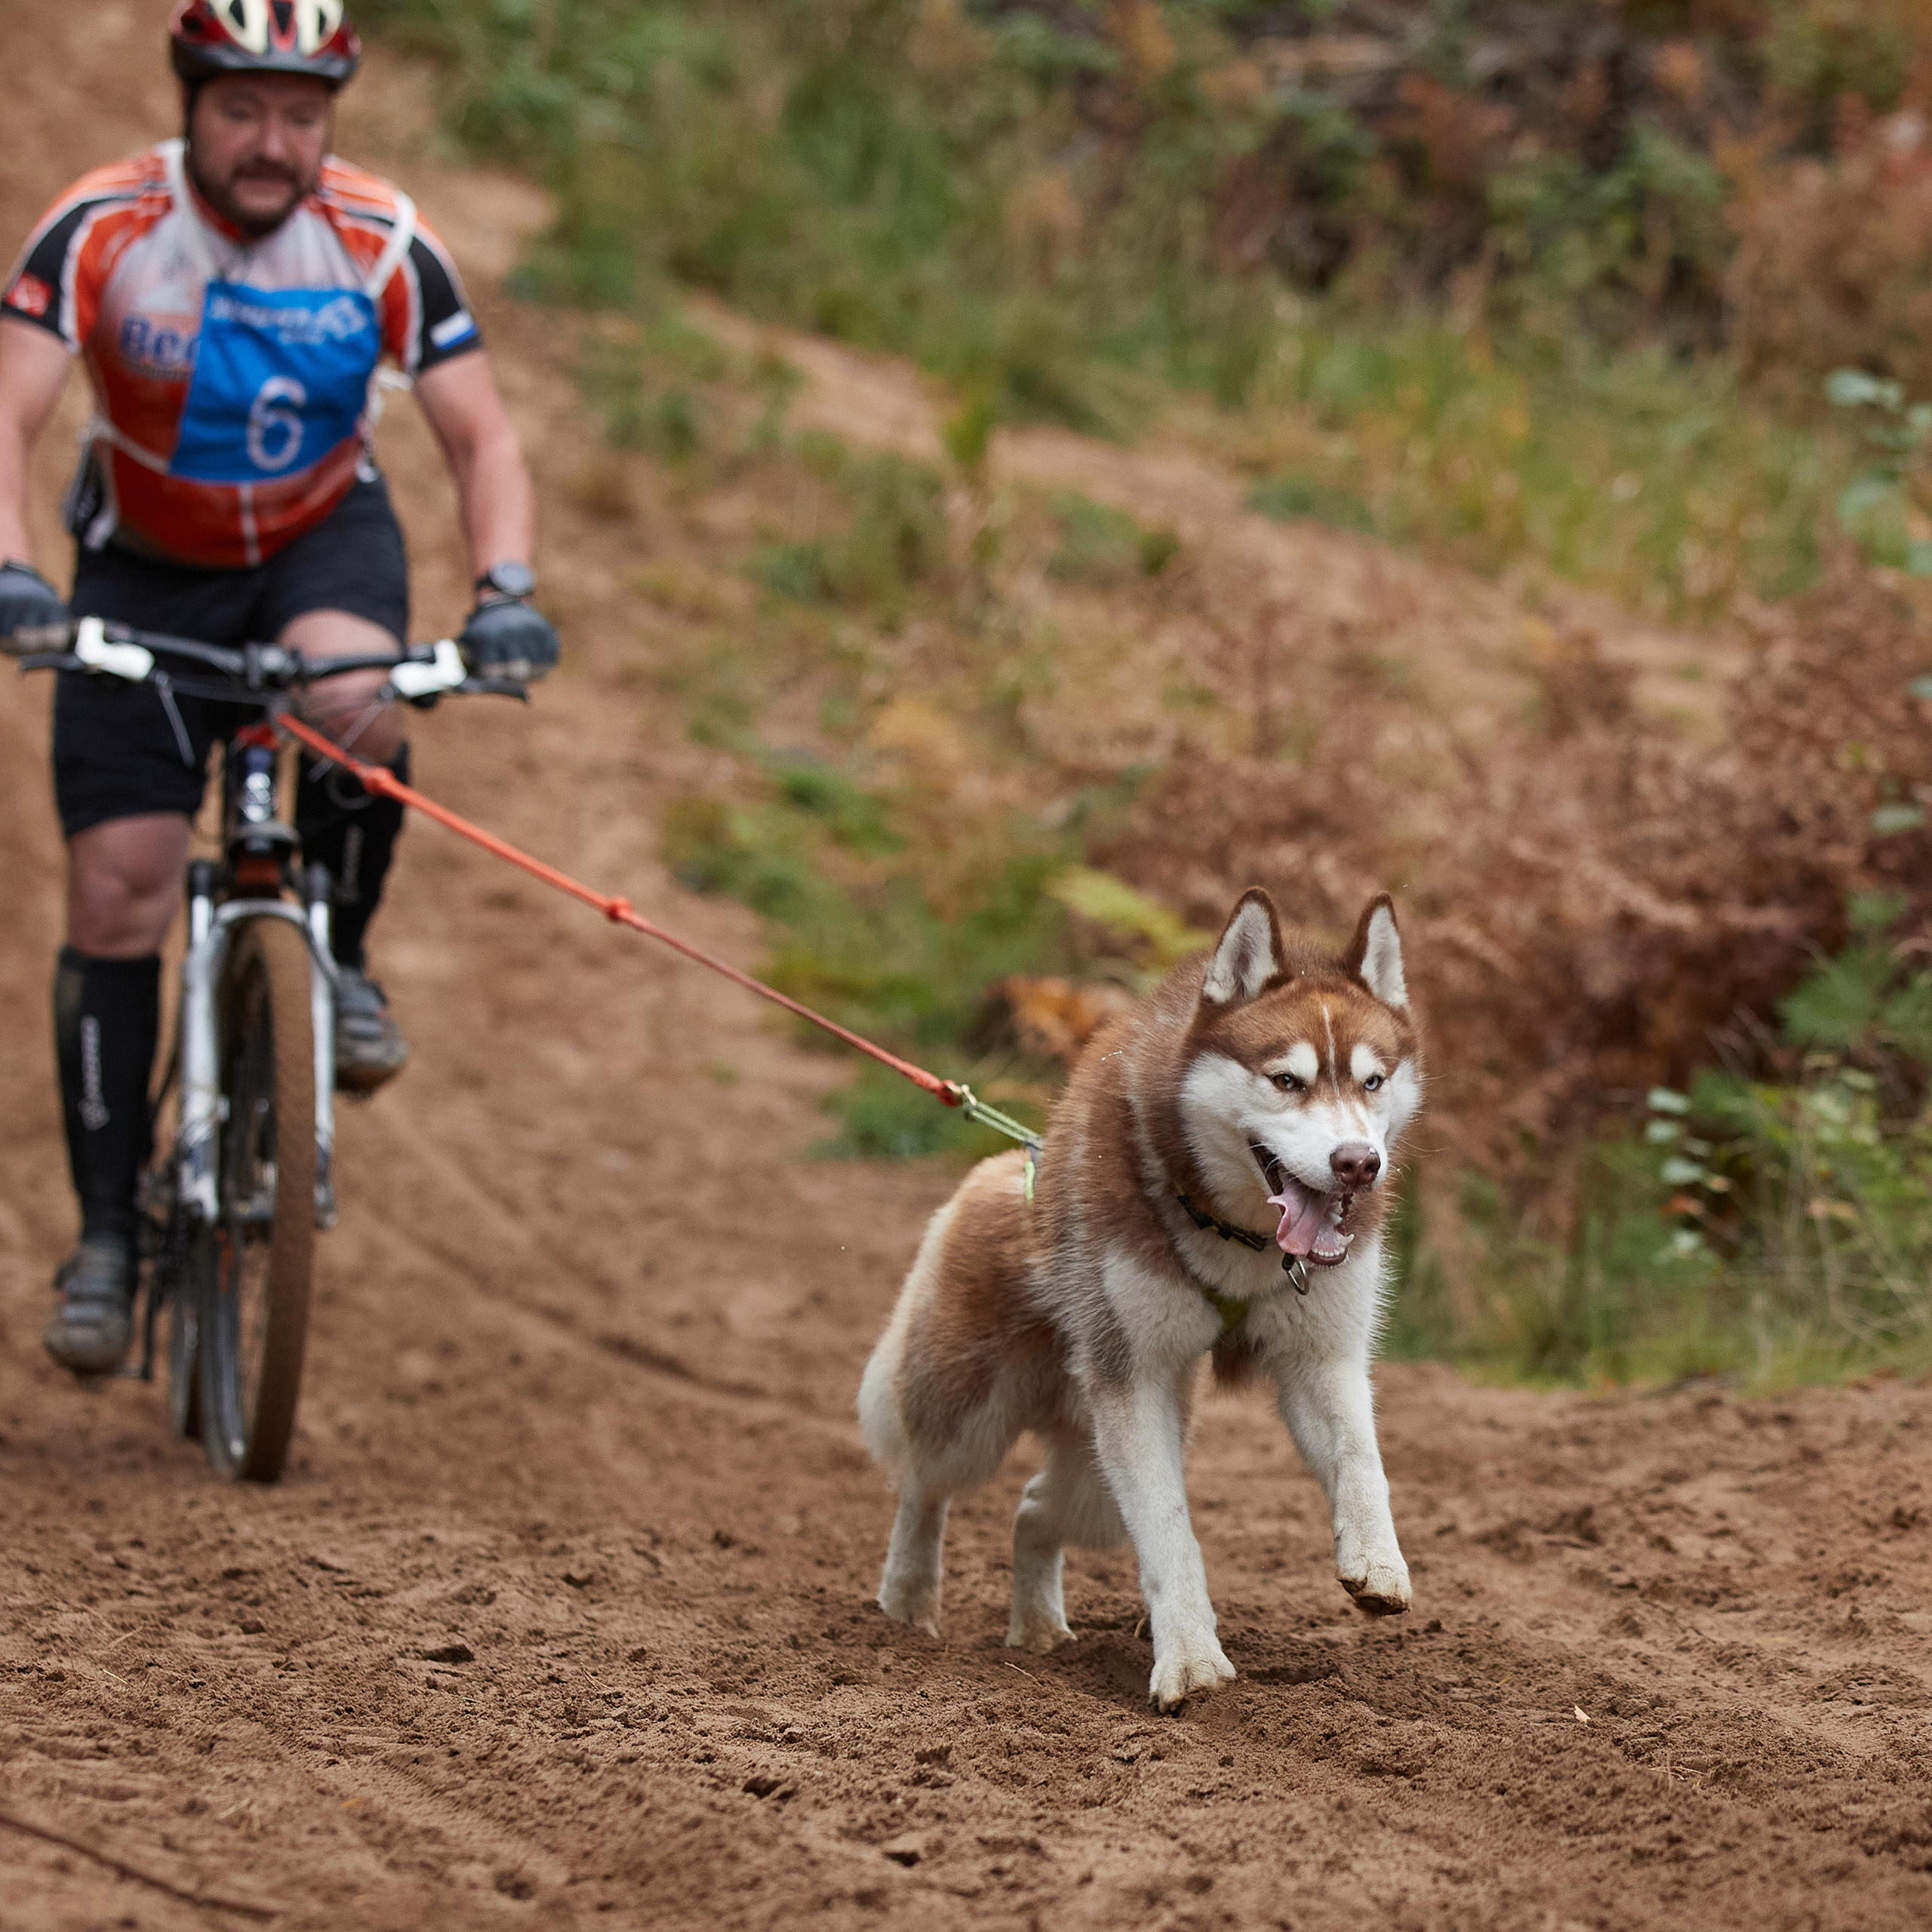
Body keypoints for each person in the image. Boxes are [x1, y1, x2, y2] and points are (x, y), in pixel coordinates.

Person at [0, 0, 558, 1376]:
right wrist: (15, 576)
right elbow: (7, 407)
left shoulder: (378, 236)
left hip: (319, 533)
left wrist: (504, 593)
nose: (273, 142)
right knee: (120, 886)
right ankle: (108, 1239)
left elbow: (480, 433)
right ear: (191, 101)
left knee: (356, 701)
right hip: (142, 562)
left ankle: (343, 963)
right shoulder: (103, 228)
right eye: (244, 108)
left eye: (302, 115)